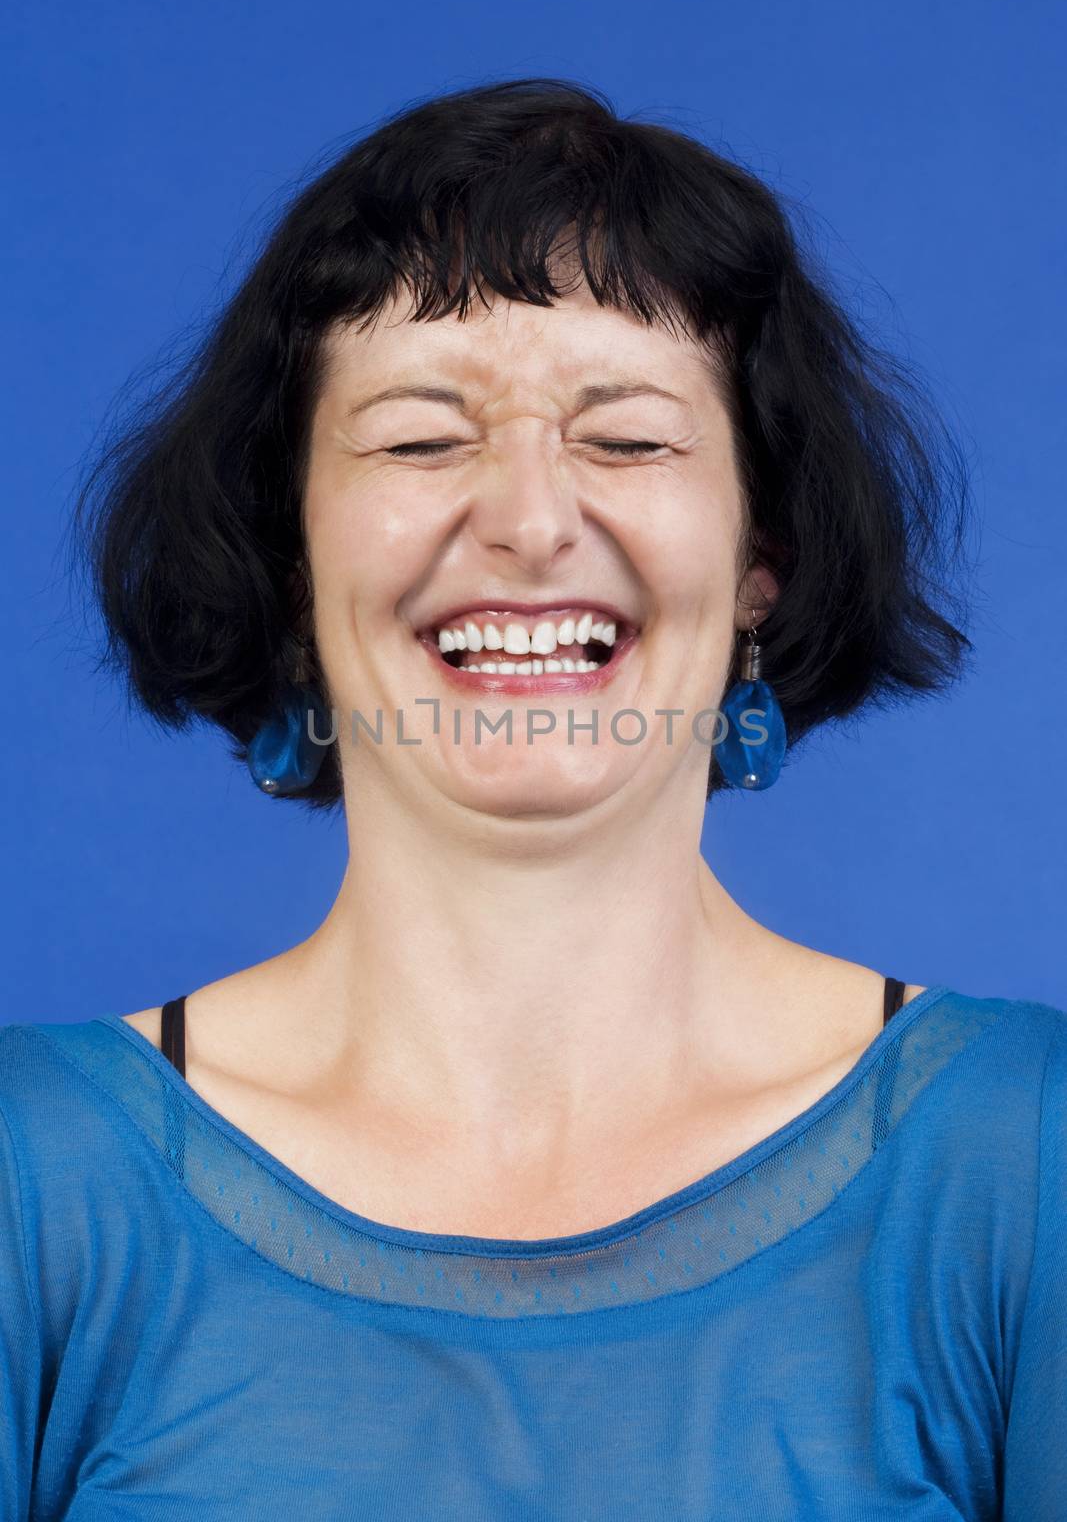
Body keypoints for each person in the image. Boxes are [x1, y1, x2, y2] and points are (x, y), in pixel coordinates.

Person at [2, 76, 1063, 1519]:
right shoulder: (34, 1185)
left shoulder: (1027, 1162)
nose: (528, 518)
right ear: (291, 563)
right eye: (421, 438)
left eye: (627, 438)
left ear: (767, 556)